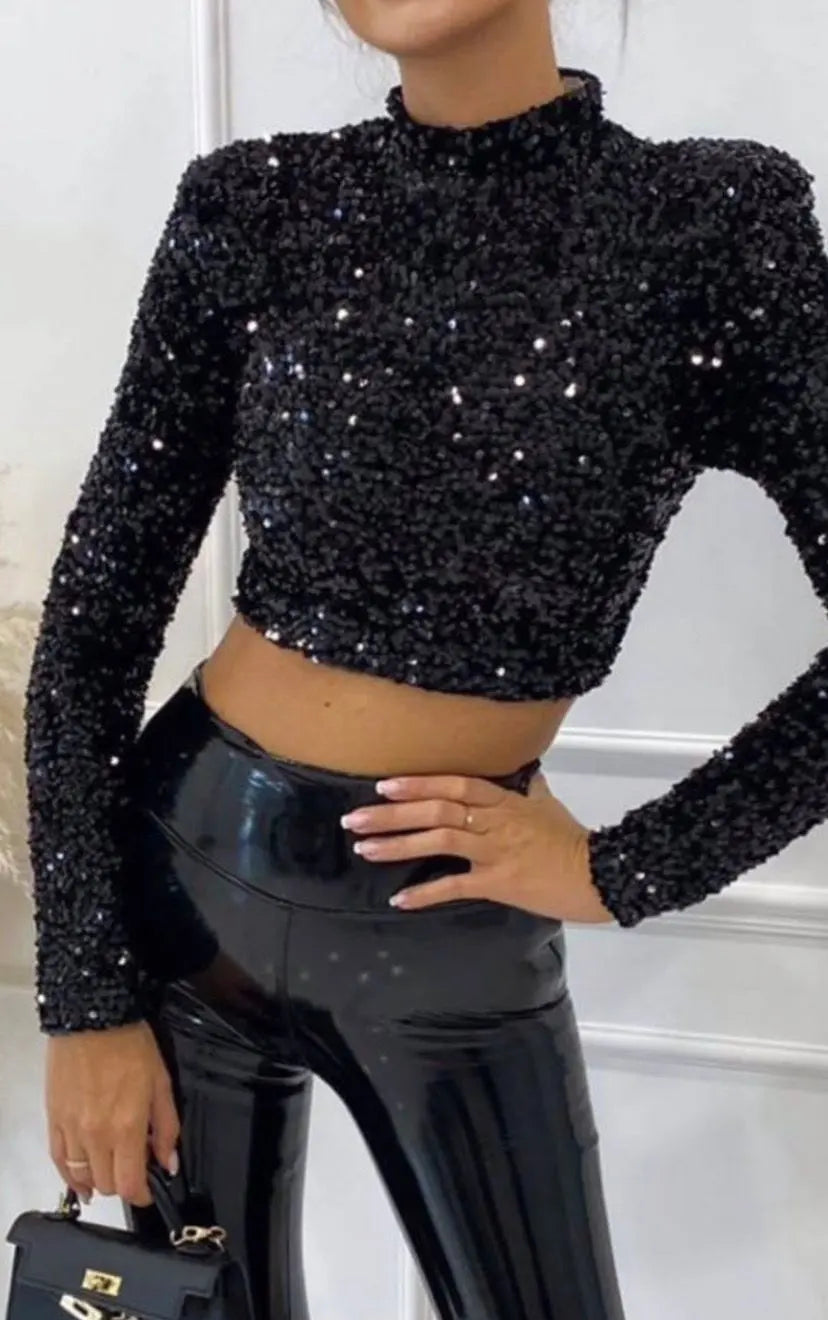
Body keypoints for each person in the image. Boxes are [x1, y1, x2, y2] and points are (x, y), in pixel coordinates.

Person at [23, 0, 828, 1315]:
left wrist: (624, 868)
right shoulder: (254, 206)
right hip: (191, 875)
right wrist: (83, 1003)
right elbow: (94, 625)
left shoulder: (712, 226)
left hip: (449, 917)